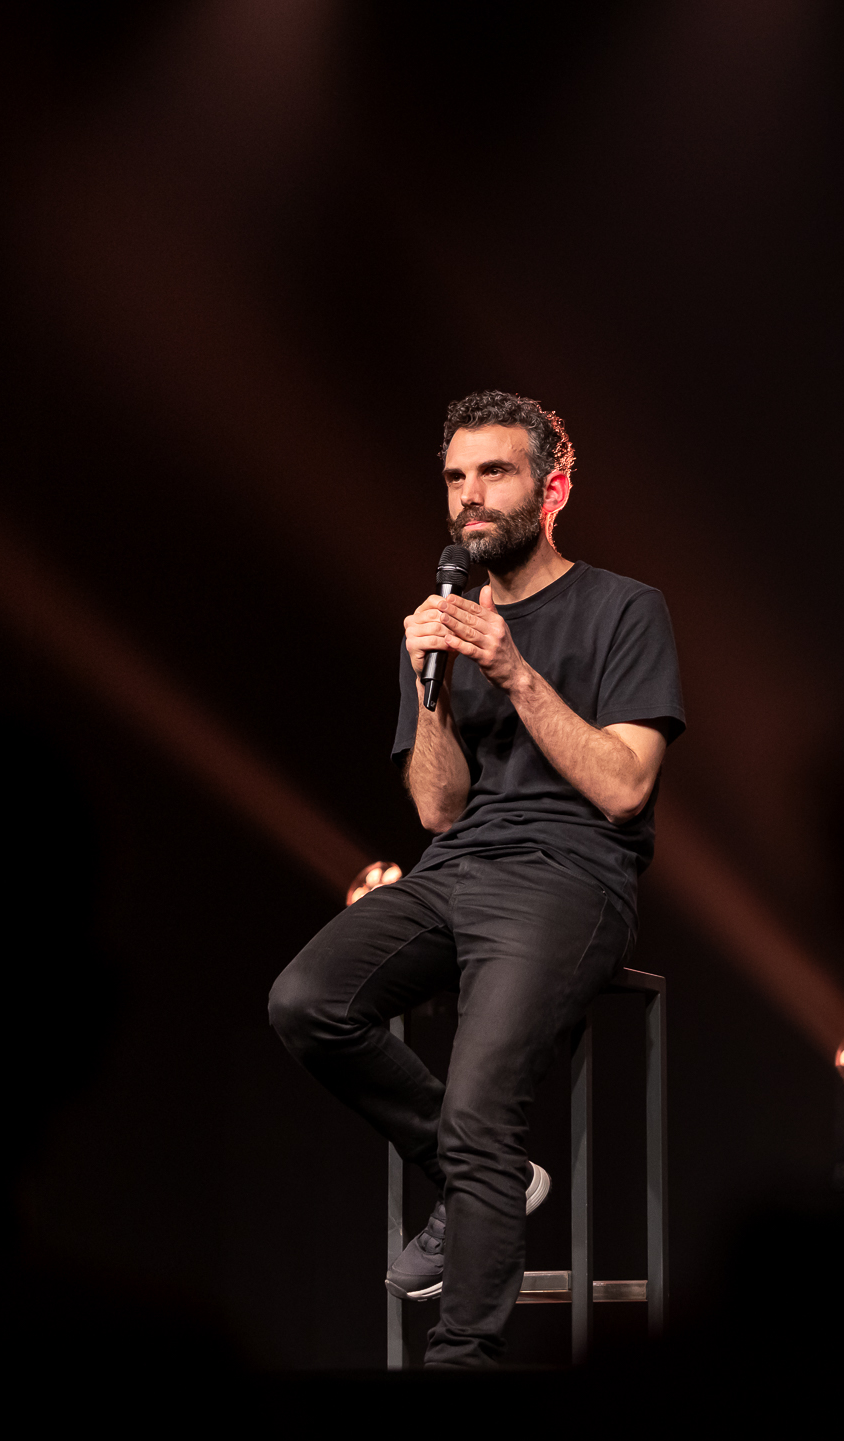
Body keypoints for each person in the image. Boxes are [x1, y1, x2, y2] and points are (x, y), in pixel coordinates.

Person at [268, 391, 684, 1368]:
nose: (470, 496)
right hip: (460, 863)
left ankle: (463, 1362)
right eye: (456, 477)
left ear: (553, 489)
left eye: (494, 472)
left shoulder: (626, 608)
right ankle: (472, 1175)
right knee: (306, 1001)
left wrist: (513, 668)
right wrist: (437, 689)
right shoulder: (438, 625)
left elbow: (624, 787)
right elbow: (437, 809)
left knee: (480, 1102)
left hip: (573, 872)